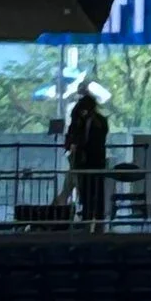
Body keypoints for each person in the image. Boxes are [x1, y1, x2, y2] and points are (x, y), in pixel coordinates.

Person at [65, 92, 110, 228]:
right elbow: (71, 136)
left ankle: (99, 218)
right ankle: (87, 216)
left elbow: (98, 140)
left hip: (96, 160)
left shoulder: (100, 121)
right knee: (84, 190)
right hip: (82, 162)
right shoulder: (80, 121)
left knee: (97, 190)